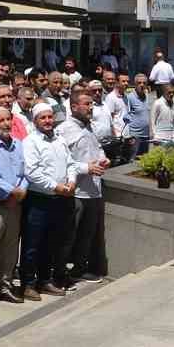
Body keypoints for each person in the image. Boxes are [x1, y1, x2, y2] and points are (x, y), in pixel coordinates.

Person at [20, 105, 79, 299]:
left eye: (49, 117)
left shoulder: (59, 139)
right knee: (32, 244)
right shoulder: (30, 142)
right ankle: (28, 284)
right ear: (35, 121)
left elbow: (71, 163)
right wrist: (56, 186)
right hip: (40, 199)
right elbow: (32, 172)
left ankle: (45, 281)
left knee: (51, 243)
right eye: (42, 118)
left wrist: (71, 181)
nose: (47, 121)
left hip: (61, 198)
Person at [57, 91, 111, 283]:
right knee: (68, 236)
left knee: (87, 235)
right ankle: (59, 273)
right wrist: (85, 168)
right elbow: (63, 160)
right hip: (76, 192)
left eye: (92, 104)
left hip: (94, 191)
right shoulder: (64, 130)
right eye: (86, 104)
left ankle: (79, 271)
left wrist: (104, 160)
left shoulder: (91, 127)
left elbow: (98, 149)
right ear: (73, 107)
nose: (91, 107)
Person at [0, 106, 27, 305]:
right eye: (1, 121)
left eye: (9, 119)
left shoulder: (18, 144)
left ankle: (4, 285)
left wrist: (21, 190)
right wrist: (10, 191)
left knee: (10, 248)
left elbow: (26, 171)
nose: (6, 124)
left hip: (15, 203)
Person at [122, 74, 152, 158]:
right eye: (139, 83)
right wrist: (129, 136)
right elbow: (126, 117)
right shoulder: (130, 97)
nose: (142, 85)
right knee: (133, 161)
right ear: (135, 84)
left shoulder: (147, 96)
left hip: (146, 135)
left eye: (144, 83)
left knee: (145, 160)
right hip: (135, 136)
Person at [151, 84, 174, 148]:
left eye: (173, 92)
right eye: (169, 92)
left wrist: (173, 136)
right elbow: (152, 121)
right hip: (159, 138)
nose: (171, 94)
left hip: (170, 138)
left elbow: (173, 121)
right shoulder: (158, 103)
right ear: (164, 92)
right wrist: (155, 136)